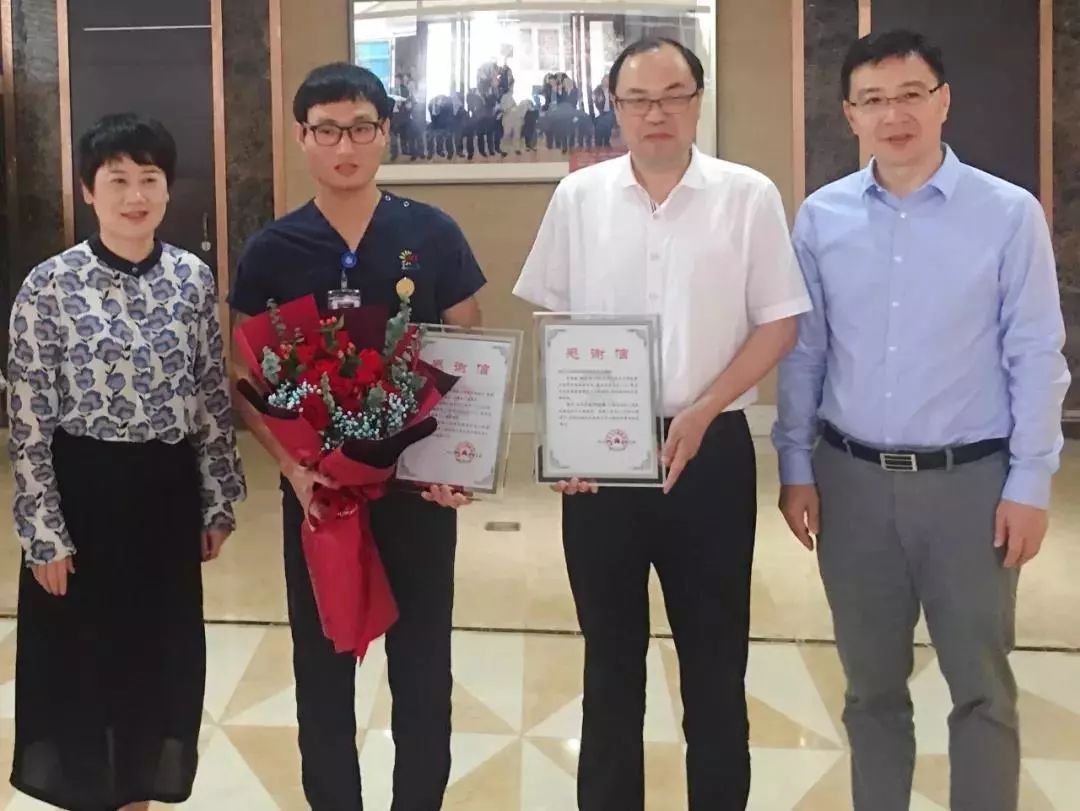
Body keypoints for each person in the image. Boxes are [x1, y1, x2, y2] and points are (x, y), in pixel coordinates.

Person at [772, 30, 1070, 811]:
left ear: (943, 101)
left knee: (983, 690)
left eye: (911, 95)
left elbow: (1036, 353)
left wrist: (1031, 481)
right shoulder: (821, 218)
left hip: (972, 486)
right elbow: (805, 353)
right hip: (851, 483)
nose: (893, 115)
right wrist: (796, 465)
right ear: (850, 114)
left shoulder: (1008, 215)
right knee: (870, 690)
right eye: (873, 100)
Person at [514, 38, 811, 810]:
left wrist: (704, 408)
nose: (656, 113)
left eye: (673, 95)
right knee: (609, 662)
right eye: (638, 99)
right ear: (614, 108)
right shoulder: (578, 198)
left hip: (711, 453)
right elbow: (557, 322)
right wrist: (565, 439)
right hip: (600, 456)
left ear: (698, 100)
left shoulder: (748, 195)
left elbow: (780, 323)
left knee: (715, 662)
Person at [228, 63, 484, 810]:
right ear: (301, 137)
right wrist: (292, 466)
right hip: (320, 494)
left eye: (362, 128)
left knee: (423, 668)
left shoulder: (432, 233)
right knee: (321, 667)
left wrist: (458, 462)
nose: (346, 146)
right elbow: (246, 375)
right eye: (328, 130)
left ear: (385, 133)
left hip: (417, 491)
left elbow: (470, 352)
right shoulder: (273, 247)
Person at [6, 113, 246, 810]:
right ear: (89, 190)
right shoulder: (49, 285)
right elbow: (27, 417)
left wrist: (217, 500)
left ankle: (137, 798)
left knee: (155, 666)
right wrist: (43, 534)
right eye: (117, 180)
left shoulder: (192, 279)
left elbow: (210, 394)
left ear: (168, 188)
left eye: (149, 178)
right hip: (83, 498)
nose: (135, 196)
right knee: (84, 671)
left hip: (164, 497)